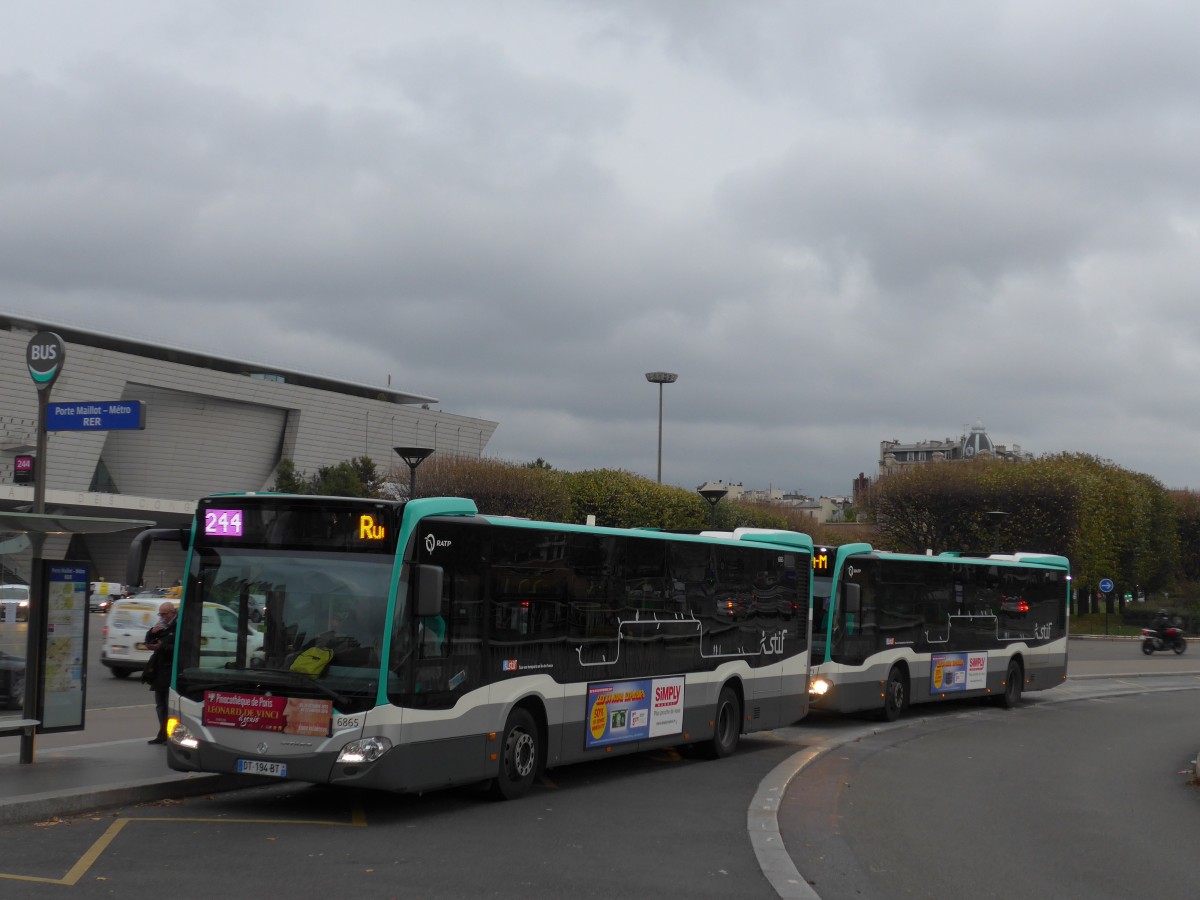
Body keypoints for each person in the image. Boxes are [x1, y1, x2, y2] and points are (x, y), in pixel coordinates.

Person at [142, 601, 178, 744]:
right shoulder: (162, 624)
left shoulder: (178, 625)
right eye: (160, 614)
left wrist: (161, 647)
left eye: (164, 614)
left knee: (168, 706)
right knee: (160, 705)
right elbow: (148, 639)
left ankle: (169, 736)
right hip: (159, 669)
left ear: (172, 613)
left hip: (170, 670)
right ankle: (162, 735)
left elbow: (179, 647)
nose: (162, 617)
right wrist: (151, 633)